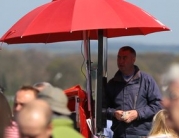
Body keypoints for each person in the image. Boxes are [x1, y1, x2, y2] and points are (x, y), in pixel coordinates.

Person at [106, 46, 162, 138]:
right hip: (119, 135)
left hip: (142, 135)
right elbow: (103, 109)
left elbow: (158, 105)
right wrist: (114, 113)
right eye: (119, 57)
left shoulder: (146, 80)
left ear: (133, 59)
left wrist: (138, 114)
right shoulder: (112, 84)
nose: (120, 61)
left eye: (124, 58)